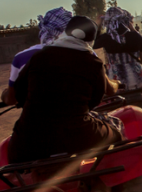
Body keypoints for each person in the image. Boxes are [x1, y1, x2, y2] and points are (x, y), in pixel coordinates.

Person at [8, 16, 122, 163]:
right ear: (91, 41)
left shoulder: (38, 57)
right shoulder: (93, 63)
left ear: (65, 33)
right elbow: (95, 101)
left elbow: (19, 94)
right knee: (117, 132)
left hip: (27, 143)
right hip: (78, 136)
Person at [1, 7, 72, 105]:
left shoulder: (21, 58)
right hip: (78, 117)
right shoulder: (88, 55)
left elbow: (11, 99)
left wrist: (4, 95)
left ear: (43, 30)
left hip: (37, 118)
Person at [95, 6, 142, 91]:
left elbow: (93, 43)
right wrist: (133, 30)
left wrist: (98, 26)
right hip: (140, 82)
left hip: (116, 86)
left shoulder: (105, 38)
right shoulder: (135, 36)